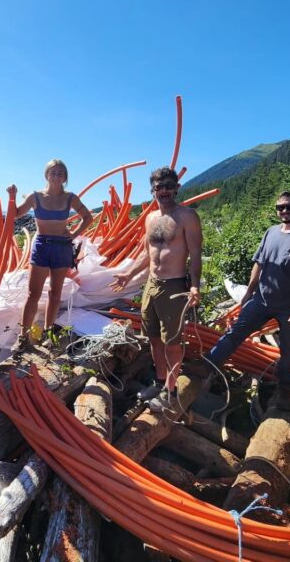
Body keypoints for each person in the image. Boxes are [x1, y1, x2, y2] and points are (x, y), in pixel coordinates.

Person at [205, 191, 290, 411]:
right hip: (261, 301)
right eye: (280, 207)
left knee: (289, 352)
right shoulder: (271, 232)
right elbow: (259, 264)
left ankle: (285, 393)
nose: (285, 211)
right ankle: (206, 366)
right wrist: (249, 293)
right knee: (234, 334)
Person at [110, 167, 202, 413]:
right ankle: (160, 381)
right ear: (153, 191)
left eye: (169, 186)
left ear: (177, 188)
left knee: (172, 342)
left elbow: (195, 254)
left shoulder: (187, 216)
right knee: (152, 337)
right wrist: (128, 274)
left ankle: (171, 391)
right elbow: (146, 253)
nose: (164, 191)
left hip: (174, 285)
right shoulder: (150, 218)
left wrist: (194, 285)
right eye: (159, 187)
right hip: (152, 285)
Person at [7, 159, 93, 351]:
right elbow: (16, 214)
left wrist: (74, 234)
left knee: (55, 294)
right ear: (46, 175)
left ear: (65, 177)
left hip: (62, 247)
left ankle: (48, 334)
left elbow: (88, 217)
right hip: (42, 246)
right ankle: (23, 337)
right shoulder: (35, 196)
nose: (56, 176)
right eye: (53, 172)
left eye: (60, 173)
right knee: (33, 294)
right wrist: (12, 196)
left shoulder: (70, 198)